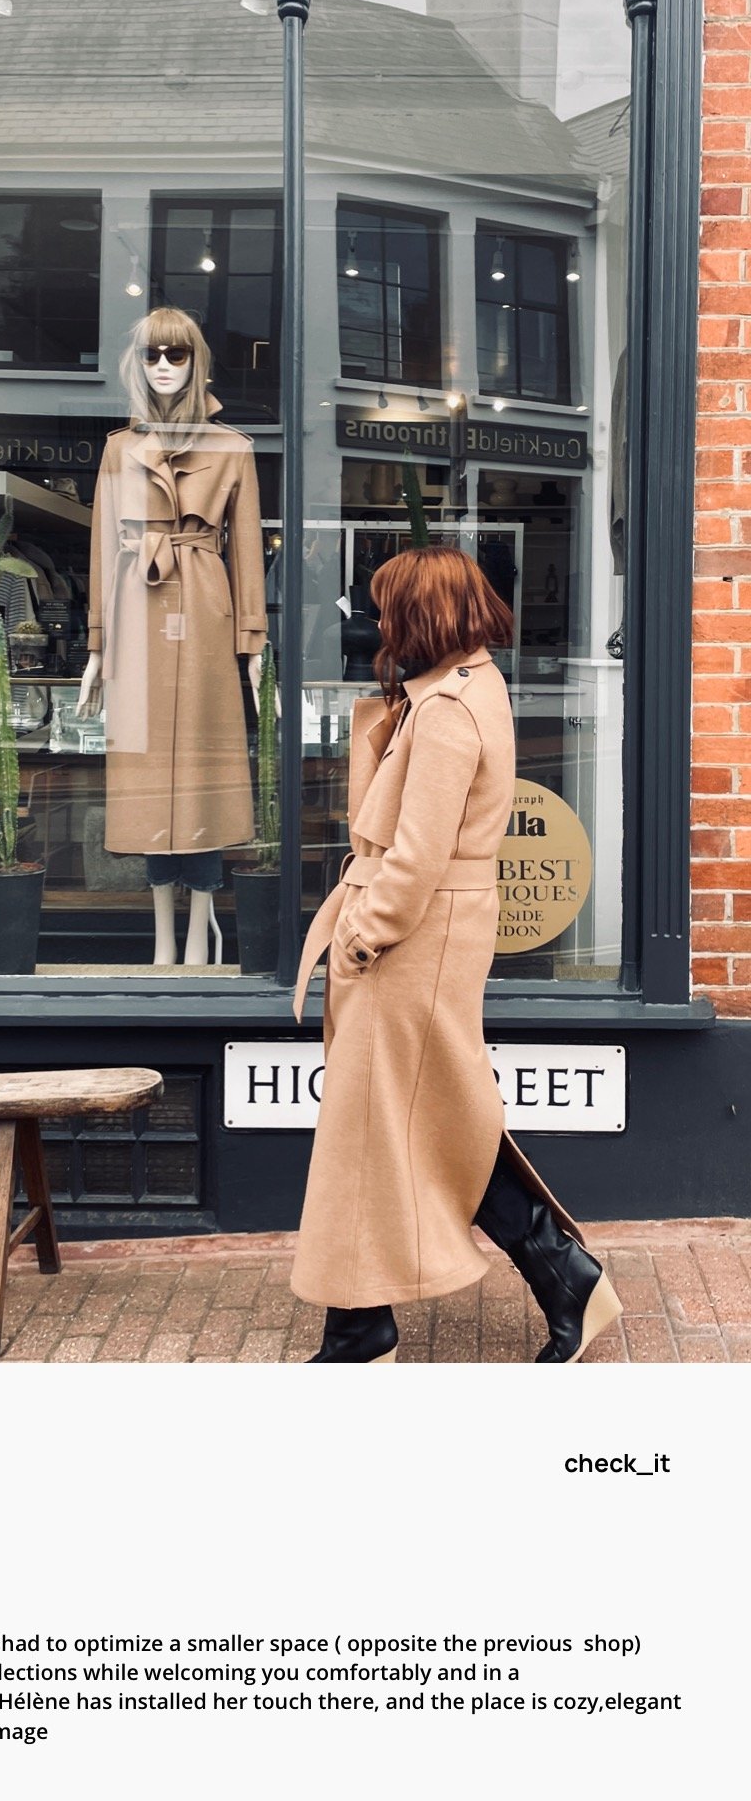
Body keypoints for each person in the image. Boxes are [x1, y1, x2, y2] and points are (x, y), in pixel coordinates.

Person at [290, 546, 623, 1364]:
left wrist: (364, 934)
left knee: (423, 1122)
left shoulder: (447, 707)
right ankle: (362, 1321)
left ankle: (558, 1277)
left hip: (412, 934)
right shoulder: (464, 686)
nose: (376, 620)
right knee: (401, 1121)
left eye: (387, 606)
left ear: (421, 612)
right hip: (430, 927)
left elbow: (419, 850)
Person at [76, 308, 269, 965]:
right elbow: (103, 550)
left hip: (206, 608)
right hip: (137, 611)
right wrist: (97, 647)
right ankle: (163, 935)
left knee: (205, 772)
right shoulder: (118, 449)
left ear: (195, 362)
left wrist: (252, 646)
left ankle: (200, 929)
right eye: (152, 354)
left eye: (176, 355)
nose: (163, 366)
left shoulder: (232, 448)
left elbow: (246, 552)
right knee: (149, 776)